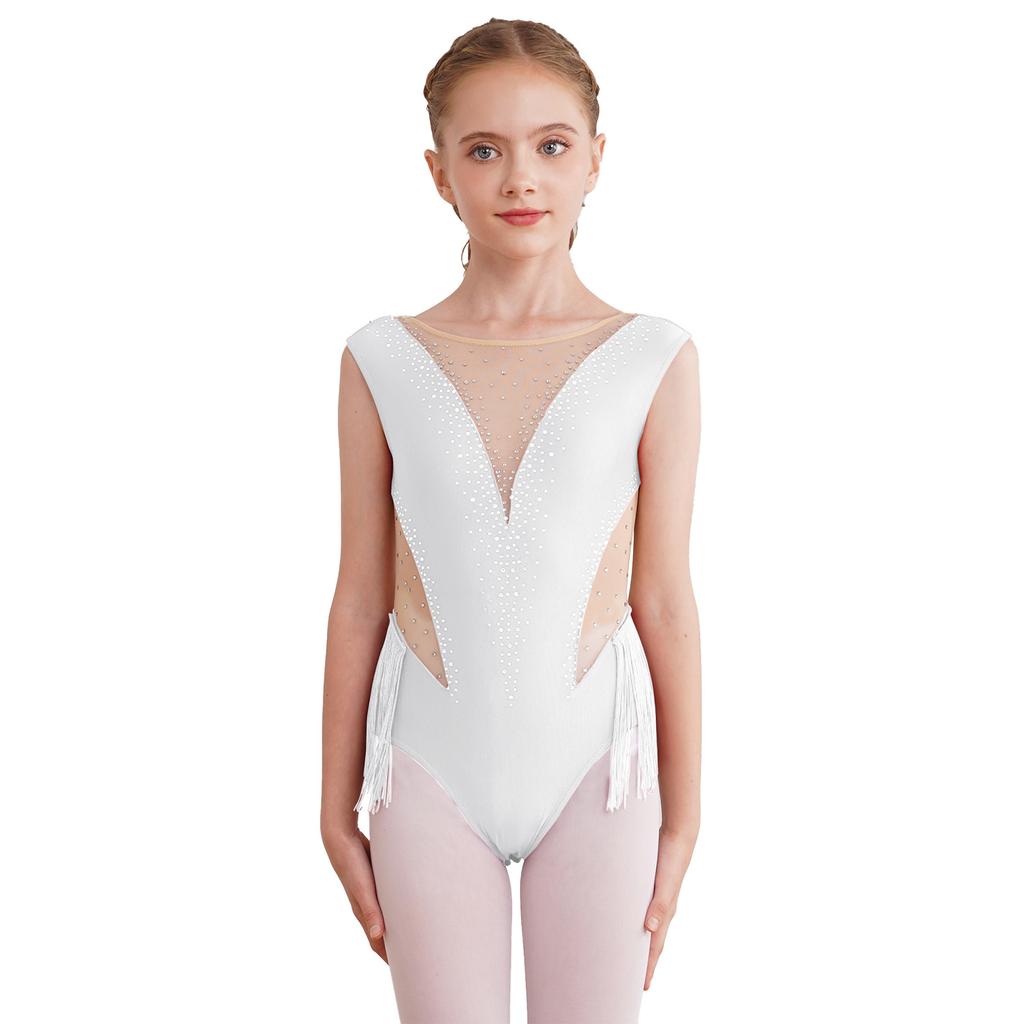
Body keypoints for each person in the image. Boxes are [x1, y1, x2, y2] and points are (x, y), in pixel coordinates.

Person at [321, 18, 702, 1024]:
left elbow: (665, 601)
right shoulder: (380, 359)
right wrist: (331, 804)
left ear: (595, 160)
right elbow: (359, 597)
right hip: (423, 772)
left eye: (551, 144)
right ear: (439, 172)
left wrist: (685, 817)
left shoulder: (653, 357)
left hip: (601, 776)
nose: (520, 178)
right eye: (484, 150)